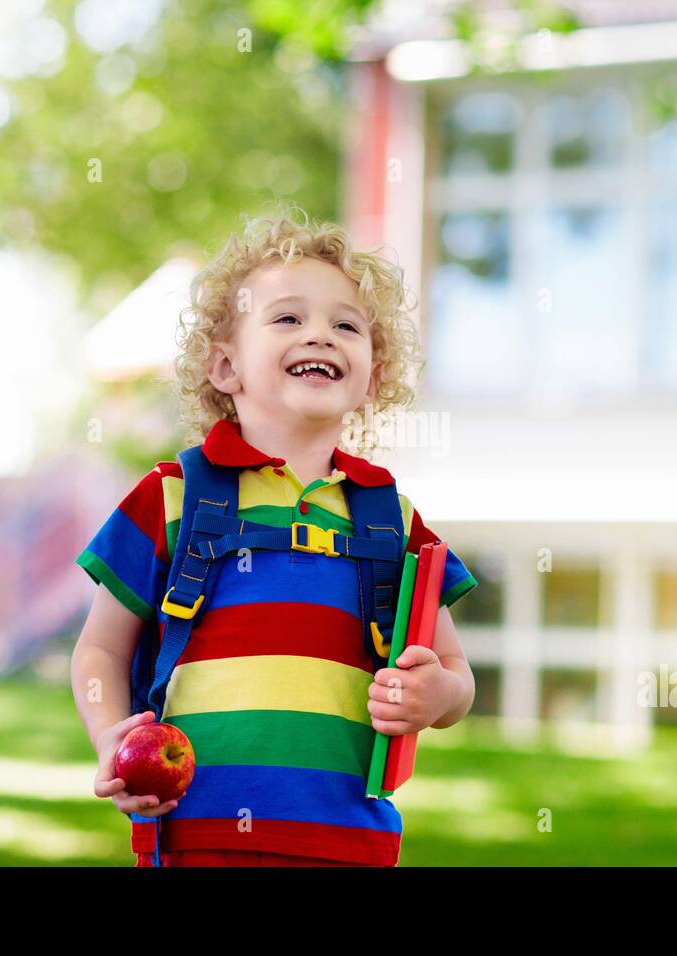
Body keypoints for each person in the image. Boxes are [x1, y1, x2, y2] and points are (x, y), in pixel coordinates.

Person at [70, 207, 479, 866]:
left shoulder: (391, 520)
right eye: (288, 318)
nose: (320, 334)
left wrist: (439, 696)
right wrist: (109, 743)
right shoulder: (171, 498)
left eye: (346, 325)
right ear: (226, 367)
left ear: (372, 378)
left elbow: (457, 673)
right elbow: (99, 651)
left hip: (348, 841)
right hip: (194, 835)